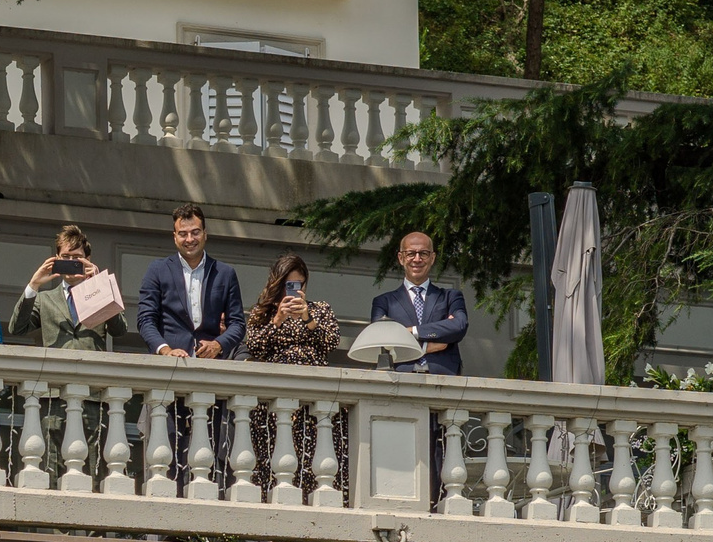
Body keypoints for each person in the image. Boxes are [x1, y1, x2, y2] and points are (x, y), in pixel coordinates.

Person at [243, 254, 343, 487]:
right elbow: (254, 346)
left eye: (300, 285)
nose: (295, 291)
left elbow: (331, 343)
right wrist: (278, 318)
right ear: (279, 283)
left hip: (314, 396)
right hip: (275, 398)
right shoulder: (263, 312)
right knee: (276, 456)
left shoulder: (320, 310)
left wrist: (308, 319)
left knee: (314, 457)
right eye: (289, 285)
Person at [136, 204, 245, 359]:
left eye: (195, 232)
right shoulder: (157, 270)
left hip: (210, 365)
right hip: (169, 365)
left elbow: (238, 324)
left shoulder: (225, 273)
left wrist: (218, 344)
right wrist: (165, 350)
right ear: (175, 237)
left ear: (205, 234)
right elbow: (145, 319)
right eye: (183, 234)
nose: (190, 239)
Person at [10, 224, 128, 351]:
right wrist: (33, 285)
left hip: (91, 367)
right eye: (65, 257)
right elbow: (17, 329)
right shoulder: (44, 299)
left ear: (87, 260)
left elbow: (119, 330)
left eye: (77, 258)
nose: (71, 261)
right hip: (57, 366)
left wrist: (99, 284)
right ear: (57, 258)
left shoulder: (100, 291)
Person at [367, 230, 467, 376]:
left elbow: (459, 325)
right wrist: (426, 346)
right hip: (399, 377)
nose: (417, 259)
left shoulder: (450, 297)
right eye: (411, 254)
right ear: (401, 258)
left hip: (443, 378)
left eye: (424, 253)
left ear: (432, 258)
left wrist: (411, 332)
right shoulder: (384, 302)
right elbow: (382, 341)